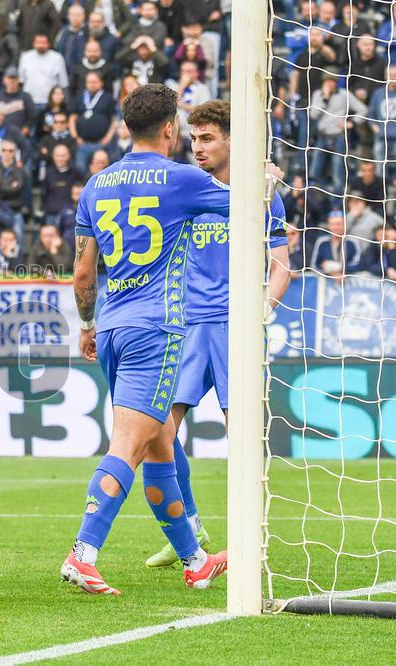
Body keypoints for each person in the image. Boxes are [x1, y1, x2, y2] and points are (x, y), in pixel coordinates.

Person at [62, 84, 258, 595]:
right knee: (130, 443)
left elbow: (83, 274)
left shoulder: (96, 184)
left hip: (112, 327)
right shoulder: (184, 180)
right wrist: (267, 180)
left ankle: (195, 560)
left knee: (159, 443)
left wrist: (87, 325)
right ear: (170, 127)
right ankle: (84, 552)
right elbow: (247, 208)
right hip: (160, 329)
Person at [140, 101, 292, 570]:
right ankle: (189, 529)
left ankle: (251, 543)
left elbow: (281, 263)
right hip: (185, 328)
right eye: (193, 138)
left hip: (234, 328)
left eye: (207, 139)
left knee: (241, 436)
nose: (197, 147)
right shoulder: (187, 187)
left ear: (231, 140)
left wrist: (262, 310)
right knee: (156, 433)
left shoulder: (261, 193)